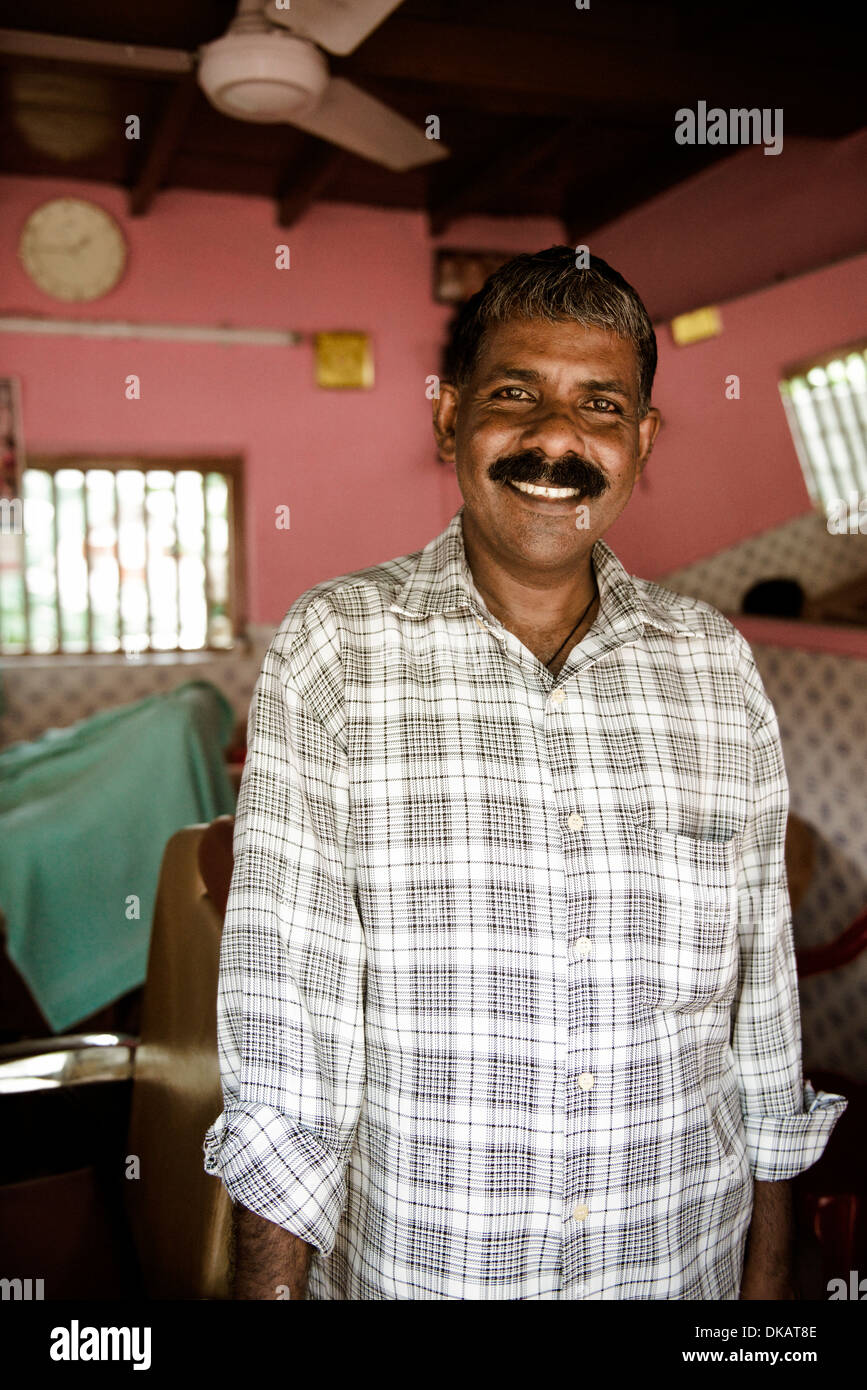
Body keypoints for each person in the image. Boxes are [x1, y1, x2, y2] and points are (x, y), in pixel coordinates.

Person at [203, 246, 846, 1300]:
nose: (557, 439)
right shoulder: (338, 649)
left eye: (600, 406)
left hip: (676, 1265)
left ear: (641, 443)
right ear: (449, 418)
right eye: (516, 396)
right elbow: (287, 1043)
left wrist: (766, 1300)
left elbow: (761, 1015)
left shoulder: (713, 666)